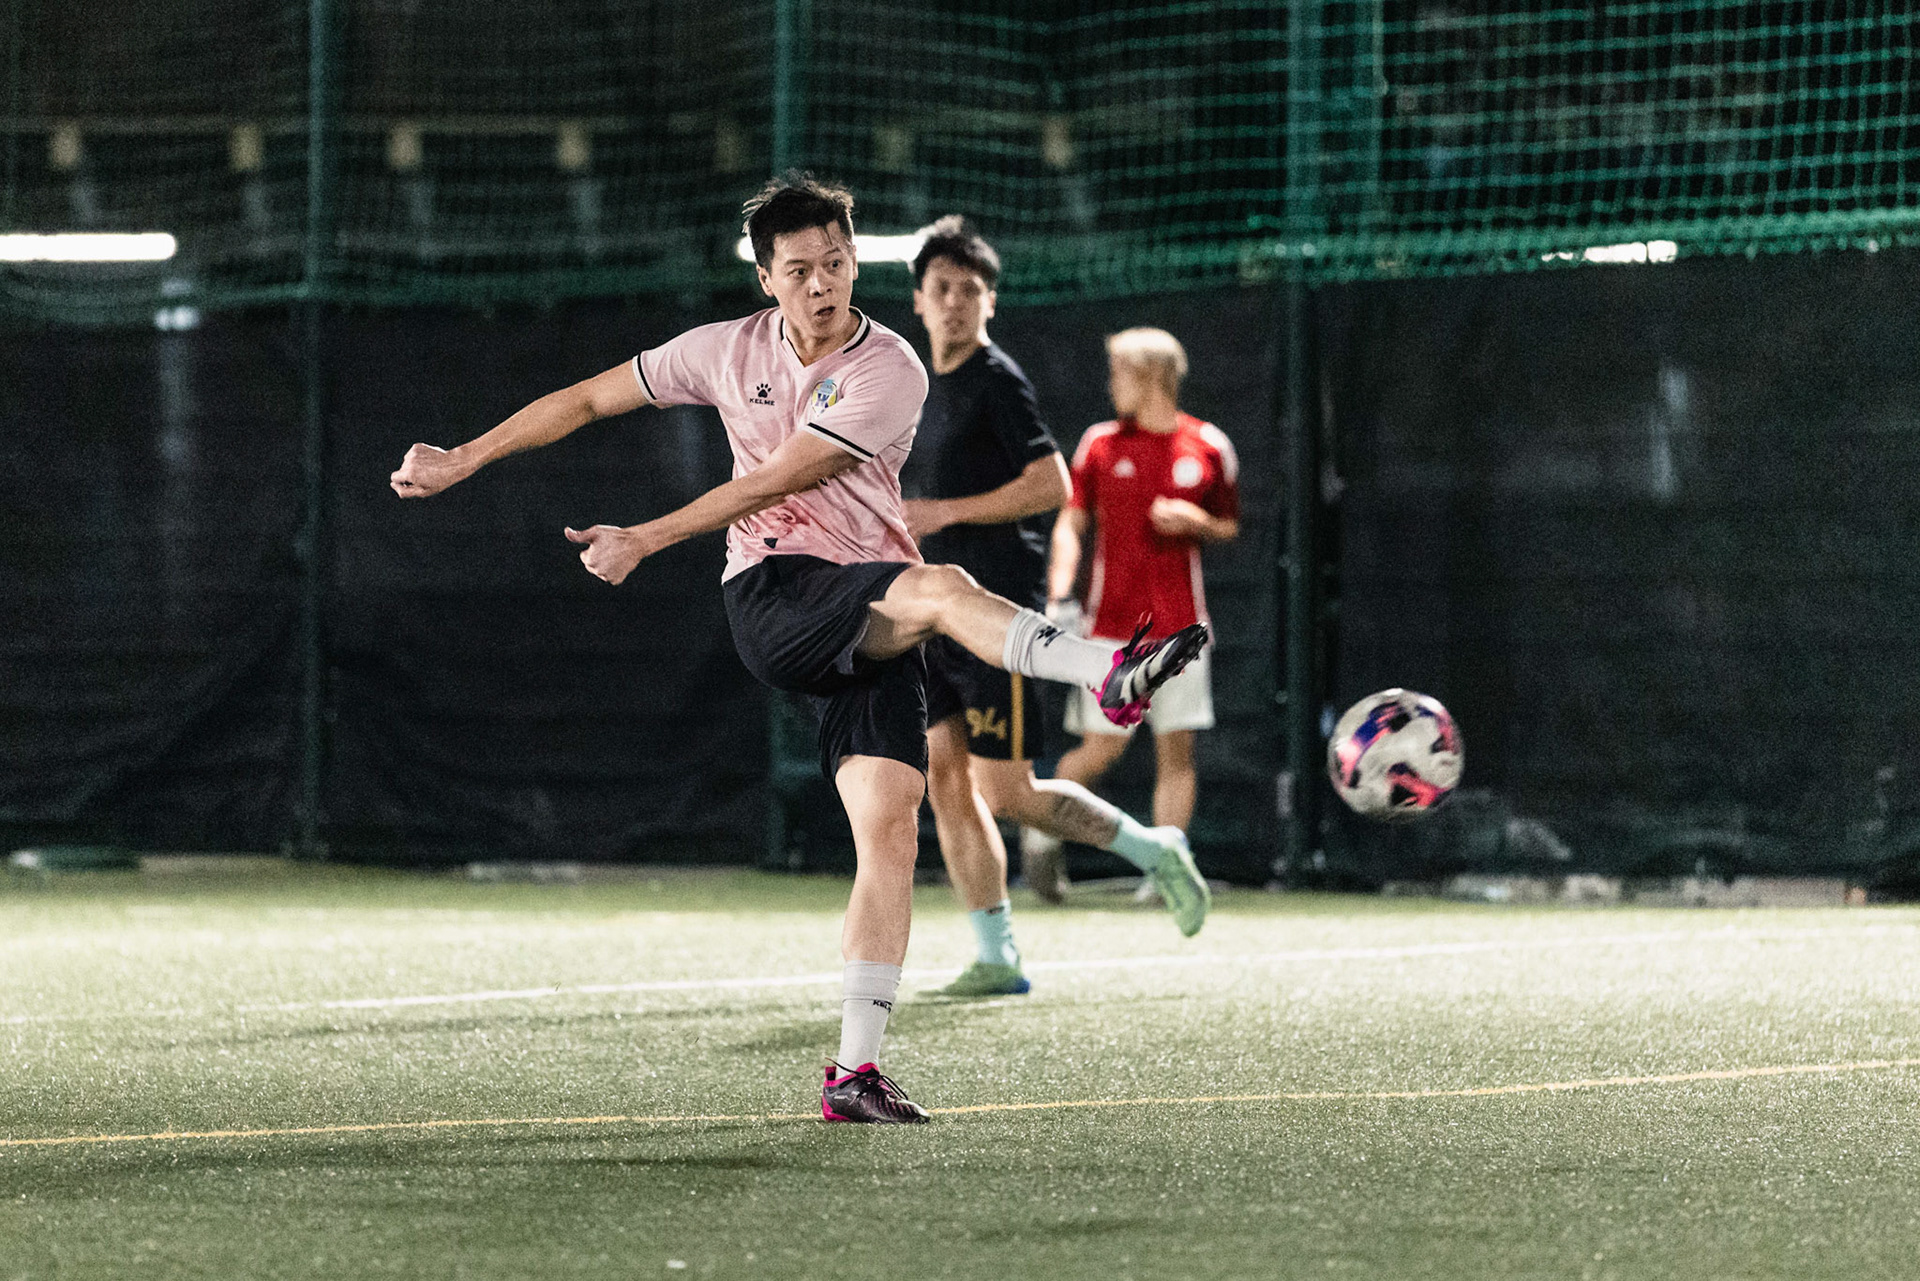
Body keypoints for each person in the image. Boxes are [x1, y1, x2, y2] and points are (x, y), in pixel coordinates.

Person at [389, 175, 1208, 1124]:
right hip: (775, 594)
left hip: (864, 612)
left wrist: (647, 535)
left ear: (855, 263)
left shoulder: (890, 368)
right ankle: (1107, 670)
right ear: (766, 278)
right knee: (939, 591)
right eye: (799, 270)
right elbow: (586, 399)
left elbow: (779, 473)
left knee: (892, 828)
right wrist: (464, 458)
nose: (822, 283)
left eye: (836, 262)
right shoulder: (723, 349)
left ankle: (855, 1073)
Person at [902, 218, 1214, 999]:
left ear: (990, 302)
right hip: (928, 613)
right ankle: (997, 953)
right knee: (944, 778)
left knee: (1009, 792)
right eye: (941, 288)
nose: (954, 301)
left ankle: (1154, 850)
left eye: (970, 290)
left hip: (995, 614)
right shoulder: (915, 384)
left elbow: (1052, 486)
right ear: (918, 300)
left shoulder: (997, 380)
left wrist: (944, 512)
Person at [1026, 327, 1240, 900]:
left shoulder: (1210, 445)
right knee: (1099, 750)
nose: (1111, 384)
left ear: (1151, 376)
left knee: (1177, 752)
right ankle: (1040, 843)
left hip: (1183, 632)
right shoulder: (1098, 443)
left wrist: (1197, 523)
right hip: (1109, 632)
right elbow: (1071, 523)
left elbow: (1228, 525)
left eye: (1118, 372)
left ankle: (1165, 872)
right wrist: (1060, 591)